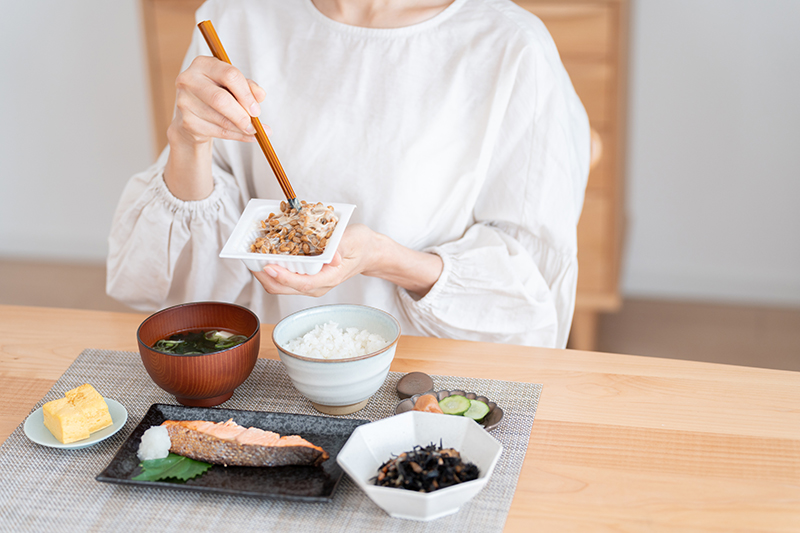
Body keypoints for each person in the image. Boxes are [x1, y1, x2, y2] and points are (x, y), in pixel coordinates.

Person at [107, 0, 590, 348]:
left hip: (425, 370)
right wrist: (188, 140)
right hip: (269, 362)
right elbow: (181, 285)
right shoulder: (237, 17)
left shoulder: (507, 44)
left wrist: (382, 257)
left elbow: (530, 292)